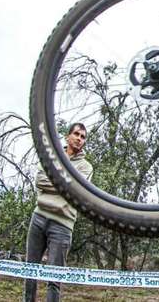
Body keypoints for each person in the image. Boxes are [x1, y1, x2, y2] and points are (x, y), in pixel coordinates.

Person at [25, 122, 92, 302]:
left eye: (83, 137)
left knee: (54, 279)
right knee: (29, 271)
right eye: (76, 134)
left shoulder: (86, 167)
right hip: (39, 216)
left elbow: (75, 192)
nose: (79, 139)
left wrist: (57, 181)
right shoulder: (51, 156)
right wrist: (65, 184)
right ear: (68, 136)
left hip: (63, 225)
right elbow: (40, 180)